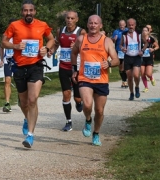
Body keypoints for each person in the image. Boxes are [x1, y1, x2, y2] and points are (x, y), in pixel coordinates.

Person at [1, 0, 55, 148]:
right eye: (25, 10)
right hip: (19, 67)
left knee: (32, 100)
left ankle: (30, 135)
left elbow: (51, 39)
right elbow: (3, 42)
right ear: (22, 12)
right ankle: (27, 118)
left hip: (36, 66)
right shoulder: (14, 25)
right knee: (23, 103)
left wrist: (47, 48)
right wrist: (15, 45)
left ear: (35, 12)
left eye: (31, 10)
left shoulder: (42, 25)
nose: (28, 13)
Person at [70, 15, 119, 146]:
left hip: (101, 80)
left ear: (100, 25)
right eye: (90, 23)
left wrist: (109, 64)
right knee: (86, 104)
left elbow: (116, 60)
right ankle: (87, 120)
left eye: (96, 23)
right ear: (87, 24)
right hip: (84, 78)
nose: (93, 25)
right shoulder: (81, 39)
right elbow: (73, 53)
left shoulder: (107, 41)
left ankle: (96, 133)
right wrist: (74, 69)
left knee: (99, 111)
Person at [54, 10, 86, 132]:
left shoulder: (81, 32)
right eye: (68, 18)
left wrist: (78, 47)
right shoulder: (60, 30)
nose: (69, 20)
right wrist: (52, 50)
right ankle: (68, 122)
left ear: (76, 20)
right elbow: (57, 43)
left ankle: (79, 102)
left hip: (76, 68)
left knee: (77, 98)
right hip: (63, 67)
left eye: (72, 18)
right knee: (66, 94)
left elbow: (87, 47)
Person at [120, 18, 142, 100]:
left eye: (132, 25)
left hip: (136, 57)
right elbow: (120, 45)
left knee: (136, 75)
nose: (131, 26)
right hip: (128, 57)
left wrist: (142, 50)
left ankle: (137, 87)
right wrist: (122, 48)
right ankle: (131, 93)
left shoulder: (139, 33)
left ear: (135, 25)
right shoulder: (124, 34)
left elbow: (146, 42)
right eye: (129, 25)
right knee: (129, 77)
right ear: (127, 25)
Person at [140, 25, 159, 92]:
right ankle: (146, 87)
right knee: (142, 73)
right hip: (141, 58)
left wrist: (153, 49)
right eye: (143, 30)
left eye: (145, 31)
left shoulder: (151, 39)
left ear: (148, 32)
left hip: (149, 58)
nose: (144, 32)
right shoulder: (139, 39)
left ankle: (151, 78)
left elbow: (157, 46)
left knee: (148, 73)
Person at [111, 20, 128, 88]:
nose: (121, 26)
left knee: (124, 67)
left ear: (125, 24)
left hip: (126, 51)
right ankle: (123, 81)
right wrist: (114, 39)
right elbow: (112, 40)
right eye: (120, 25)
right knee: (120, 68)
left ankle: (125, 81)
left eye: (123, 25)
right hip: (118, 51)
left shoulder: (127, 31)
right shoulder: (116, 31)